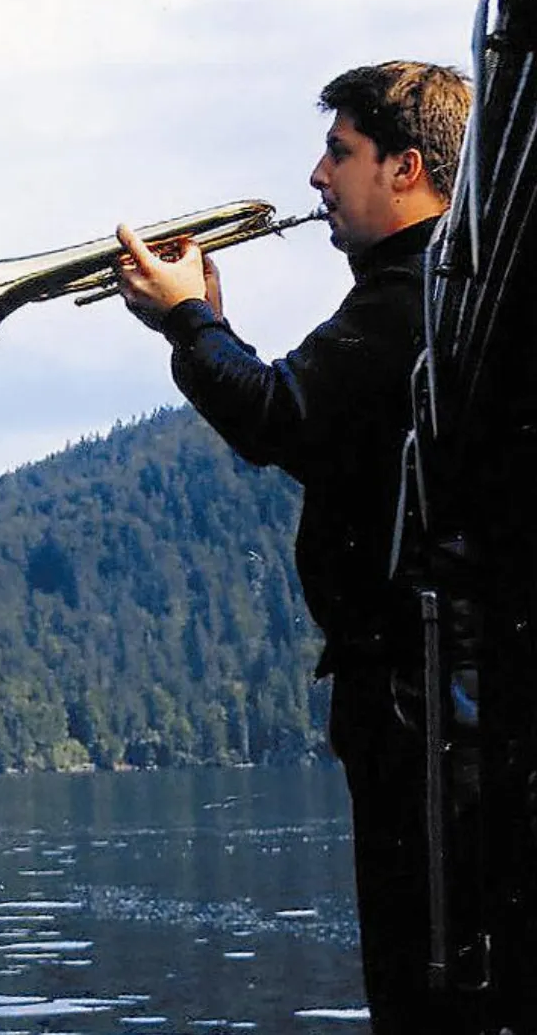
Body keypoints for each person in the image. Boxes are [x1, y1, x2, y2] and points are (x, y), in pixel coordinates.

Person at [114, 61, 472, 1035]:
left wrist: (187, 320)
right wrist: (203, 325)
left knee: (416, 977)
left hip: (415, 699)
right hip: (419, 693)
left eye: (339, 153)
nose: (317, 177)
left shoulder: (411, 295)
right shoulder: (433, 289)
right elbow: (304, 414)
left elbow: (280, 416)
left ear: (405, 167)